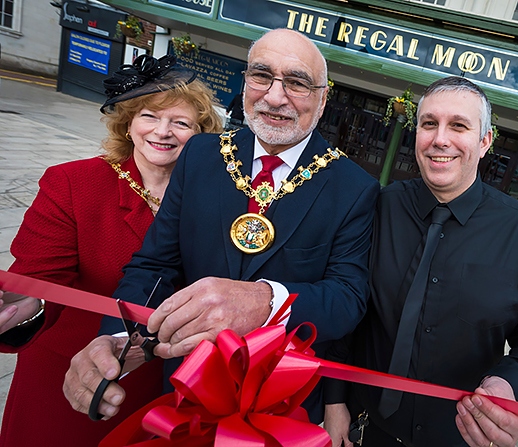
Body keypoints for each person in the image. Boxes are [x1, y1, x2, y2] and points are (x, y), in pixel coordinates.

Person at [62, 28, 379, 425]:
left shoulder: (355, 187)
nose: (275, 96)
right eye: (262, 75)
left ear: (322, 97)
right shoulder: (201, 155)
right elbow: (155, 266)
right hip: (184, 393)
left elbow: (347, 300)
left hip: (283, 408)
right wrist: (119, 340)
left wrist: (264, 302)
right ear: (246, 80)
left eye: (297, 82)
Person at [324, 76, 518, 447]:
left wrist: (510, 384)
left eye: (459, 125)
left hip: (457, 436)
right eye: (429, 124)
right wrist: (333, 400)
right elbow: (346, 306)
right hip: (361, 427)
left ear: (484, 141)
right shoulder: (378, 207)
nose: (441, 139)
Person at [0, 54, 222, 447]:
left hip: (155, 389)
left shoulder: (213, 203)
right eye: (150, 117)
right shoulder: (74, 182)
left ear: (201, 136)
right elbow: (39, 278)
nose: (163, 131)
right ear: (129, 122)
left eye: (181, 123)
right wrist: (21, 302)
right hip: (69, 381)